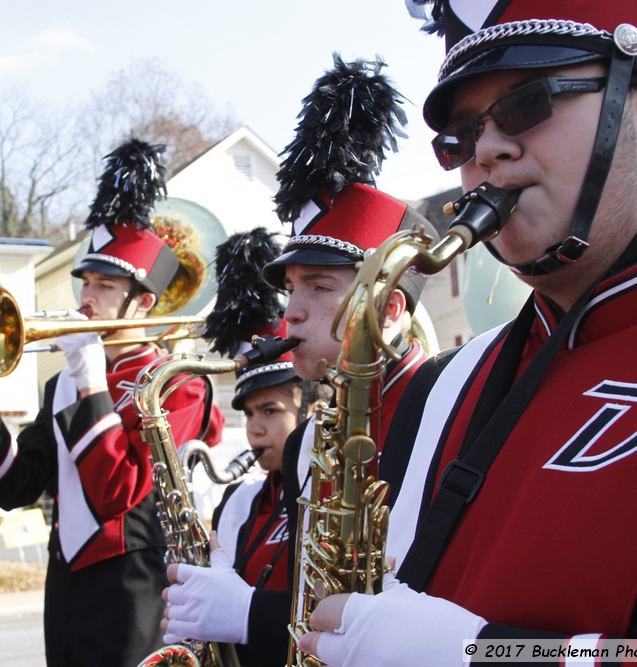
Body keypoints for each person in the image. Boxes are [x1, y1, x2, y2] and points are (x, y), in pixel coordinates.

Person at [300, 2, 637, 666]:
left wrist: (487, 655)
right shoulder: (449, 379)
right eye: (462, 136)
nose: (486, 150)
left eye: (528, 103)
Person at [162, 56, 434, 667]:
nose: (293, 315)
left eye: (318, 287)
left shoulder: (453, 400)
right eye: (291, 291)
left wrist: (250, 613)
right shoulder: (309, 437)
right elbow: (315, 598)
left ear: (389, 308)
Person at [0, 139, 224, 667]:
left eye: (105, 285)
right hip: (66, 588)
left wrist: (89, 375)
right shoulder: (64, 382)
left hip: (135, 588)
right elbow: (15, 487)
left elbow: (117, 491)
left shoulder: (178, 382)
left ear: (143, 301)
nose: (86, 299)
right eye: (86, 283)